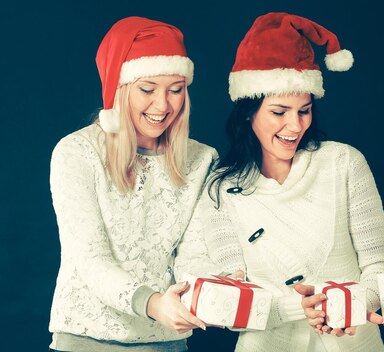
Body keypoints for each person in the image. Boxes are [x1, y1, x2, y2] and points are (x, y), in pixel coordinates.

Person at [174, 12, 384, 352]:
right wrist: (296, 308)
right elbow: (232, 298)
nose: (294, 126)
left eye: (304, 110)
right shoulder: (221, 188)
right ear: (248, 111)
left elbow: (378, 268)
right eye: (279, 112)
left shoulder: (344, 163)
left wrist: (347, 305)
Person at [48, 16, 244, 352]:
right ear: (120, 89)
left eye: (176, 90)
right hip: (85, 341)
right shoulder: (77, 152)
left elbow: (195, 252)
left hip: (166, 343)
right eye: (147, 89)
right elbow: (90, 258)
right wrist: (153, 303)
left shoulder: (201, 159)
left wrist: (200, 295)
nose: (163, 105)